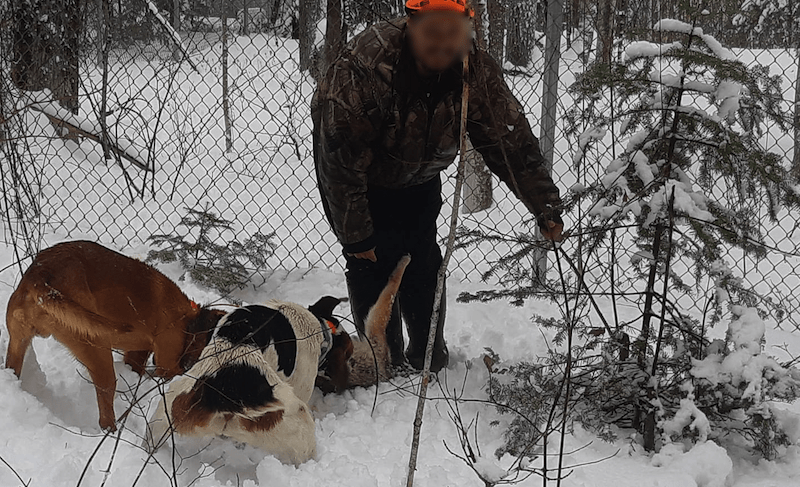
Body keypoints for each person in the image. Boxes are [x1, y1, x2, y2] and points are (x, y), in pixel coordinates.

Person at [312, 0, 564, 373]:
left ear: (468, 29)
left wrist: (544, 205)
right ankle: (383, 356)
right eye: (432, 32)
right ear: (410, 24)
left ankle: (427, 352)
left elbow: (510, 141)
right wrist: (355, 236)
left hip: (422, 180)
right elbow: (339, 158)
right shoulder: (365, 65)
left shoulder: (474, 70)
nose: (443, 44)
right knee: (369, 262)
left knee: (423, 262)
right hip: (364, 184)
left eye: (454, 33)